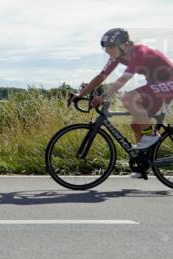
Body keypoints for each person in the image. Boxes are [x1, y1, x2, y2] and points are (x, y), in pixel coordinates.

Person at [73, 29, 173, 161]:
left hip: (169, 82)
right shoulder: (117, 56)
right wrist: (81, 94)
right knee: (136, 125)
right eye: (106, 48)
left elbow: (124, 79)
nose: (108, 51)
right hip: (155, 85)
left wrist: (103, 96)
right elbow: (101, 76)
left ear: (124, 44)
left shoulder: (139, 52)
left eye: (111, 47)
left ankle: (151, 135)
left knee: (128, 98)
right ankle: (143, 162)